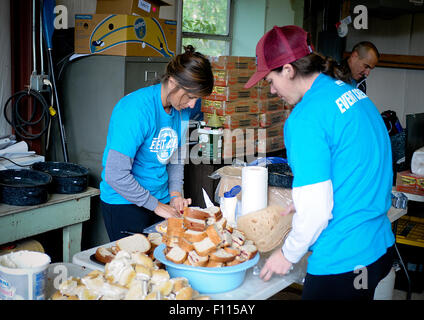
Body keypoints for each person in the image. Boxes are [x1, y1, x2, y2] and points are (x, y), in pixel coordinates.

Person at [244, 25, 394, 300]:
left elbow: (316, 212)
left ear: (288, 69)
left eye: (270, 81)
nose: (273, 91)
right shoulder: (353, 95)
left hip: (342, 260)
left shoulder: (305, 118)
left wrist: (287, 254)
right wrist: (305, 196)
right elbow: (361, 164)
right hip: (379, 247)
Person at [100, 45, 214, 241]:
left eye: (197, 98)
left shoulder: (182, 110)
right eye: (190, 96)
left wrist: (176, 194)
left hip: (160, 203)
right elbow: (115, 174)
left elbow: (175, 157)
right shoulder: (135, 110)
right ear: (172, 82)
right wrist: (158, 206)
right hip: (124, 204)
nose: (193, 105)